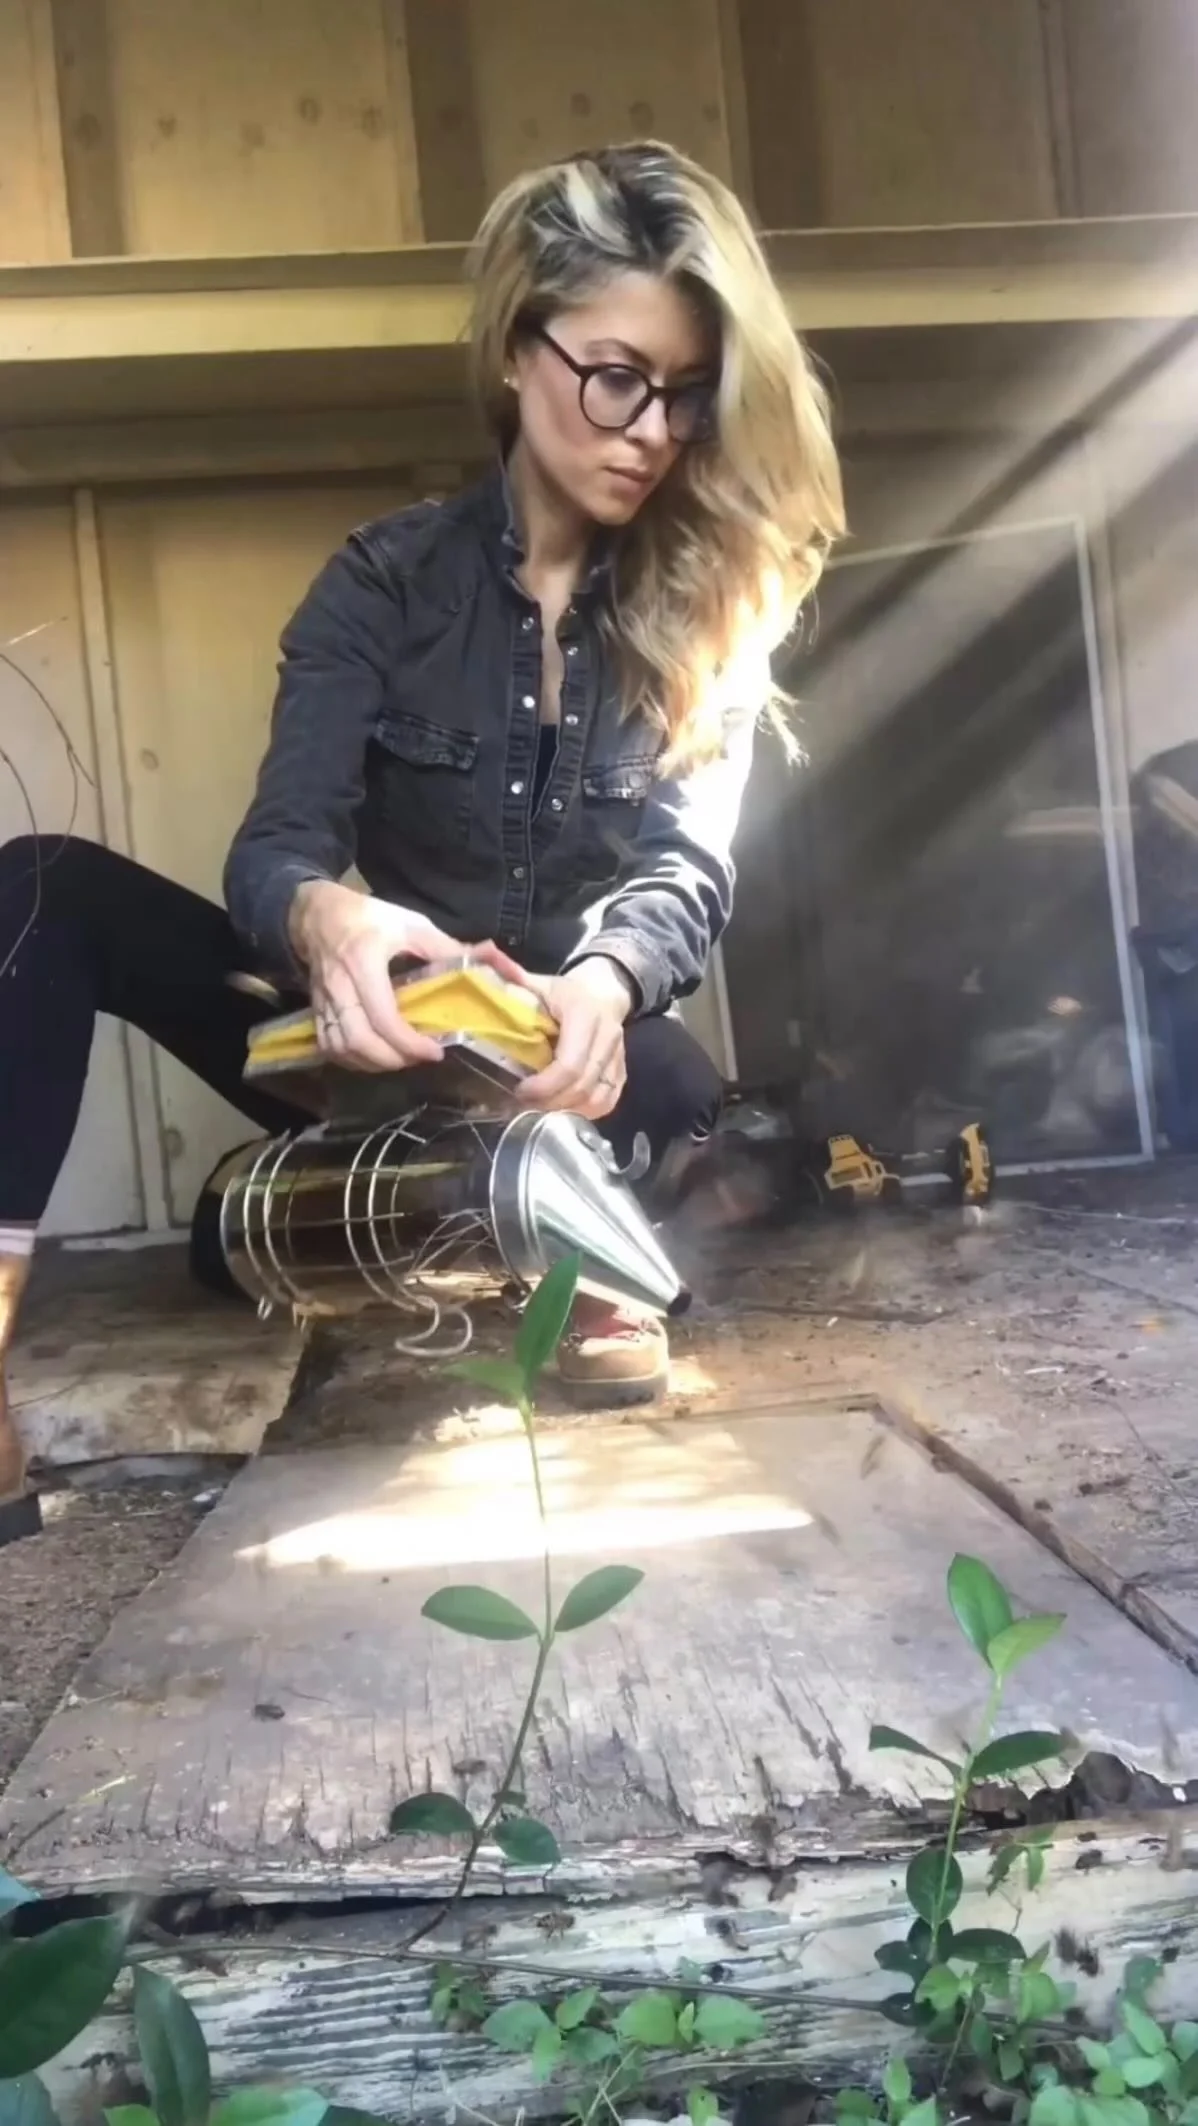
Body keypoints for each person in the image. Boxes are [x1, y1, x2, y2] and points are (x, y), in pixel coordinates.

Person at [0, 139, 843, 1536]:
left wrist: (602, 986)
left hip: (578, 1056)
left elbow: (686, 868)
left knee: (699, 1114)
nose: (651, 430)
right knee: (43, 886)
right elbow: (279, 843)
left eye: (687, 395)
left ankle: (541, 1232)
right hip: (371, 1046)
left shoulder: (715, 605)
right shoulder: (380, 582)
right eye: (616, 377)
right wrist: (326, 918)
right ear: (519, 351)